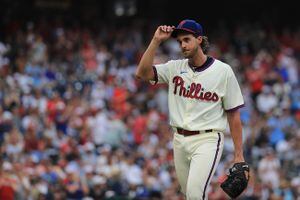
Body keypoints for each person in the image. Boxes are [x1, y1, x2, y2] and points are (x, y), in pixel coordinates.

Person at [135, 19, 246, 200]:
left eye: (187, 39)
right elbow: (142, 73)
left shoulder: (223, 71)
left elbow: (233, 114)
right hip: (179, 139)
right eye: (179, 42)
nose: (182, 45)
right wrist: (155, 41)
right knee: (189, 194)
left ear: (199, 39)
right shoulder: (174, 67)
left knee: (195, 194)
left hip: (207, 139)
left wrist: (239, 155)